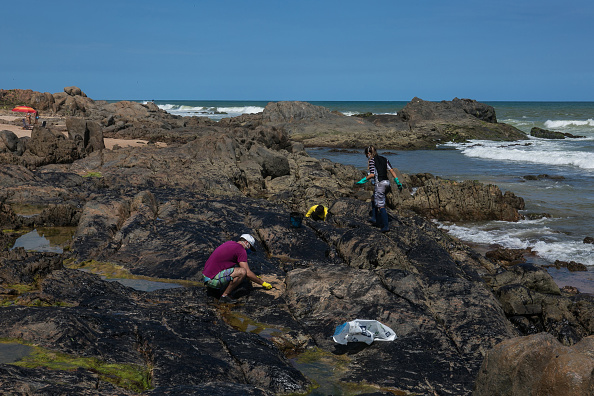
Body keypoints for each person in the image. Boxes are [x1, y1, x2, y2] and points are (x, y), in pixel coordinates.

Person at [202, 234, 272, 304]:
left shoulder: (230, 243)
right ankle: (225, 296)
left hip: (206, 277)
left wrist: (253, 276)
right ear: (246, 242)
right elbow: (246, 272)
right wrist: (262, 283)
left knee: (240, 271)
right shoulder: (241, 250)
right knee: (242, 272)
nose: (249, 250)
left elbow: (240, 265)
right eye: (250, 248)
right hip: (212, 280)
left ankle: (215, 289)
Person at [356, 145, 403, 232]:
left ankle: (385, 226)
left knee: (381, 205)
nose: (366, 156)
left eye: (366, 155)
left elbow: (372, 174)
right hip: (387, 183)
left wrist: (362, 181)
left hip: (380, 184)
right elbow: (392, 170)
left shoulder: (371, 160)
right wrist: (397, 181)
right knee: (374, 197)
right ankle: (374, 218)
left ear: (369, 153)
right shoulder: (385, 159)